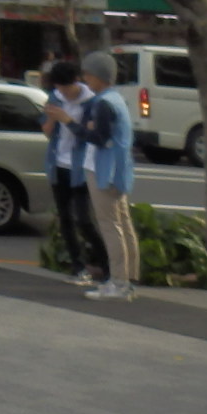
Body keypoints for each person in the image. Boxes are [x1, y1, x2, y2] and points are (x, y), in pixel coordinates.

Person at [52, 50, 138, 300]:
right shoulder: (116, 99)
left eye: (88, 75)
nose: (85, 79)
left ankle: (119, 283)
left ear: (100, 76)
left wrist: (70, 122)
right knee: (123, 223)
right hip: (118, 170)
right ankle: (128, 278)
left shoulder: (102, 103)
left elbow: (96, 137)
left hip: (103, 170)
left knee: (111, 226)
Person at [41, 60, 102, 286]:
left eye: (68, 88)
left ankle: (105, 264)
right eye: (60, 88)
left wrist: (67, 119)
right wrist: (50, 117)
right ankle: (78, 266)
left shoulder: (91, 102)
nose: (65, 93)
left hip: (81, 165)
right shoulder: (55, 98)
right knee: (65, 218)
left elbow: (89, 135)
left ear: (77, 81)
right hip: (58, 163)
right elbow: (47, 133)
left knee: (84, 219)